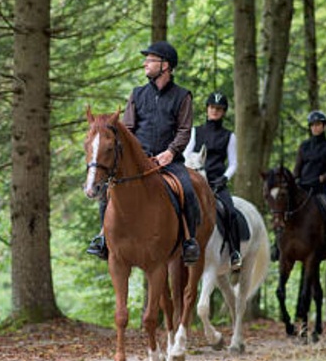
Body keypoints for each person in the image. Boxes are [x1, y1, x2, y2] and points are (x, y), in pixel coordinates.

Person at [87, 40, 201, 265]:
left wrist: (171, 151)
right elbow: (128, 129)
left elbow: (184, 130)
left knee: (187, 190)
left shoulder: (182, 96)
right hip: (139, 160)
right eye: (146, 60)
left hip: (169, 160)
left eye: (150, 60)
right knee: (108, 191)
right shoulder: (137, 94)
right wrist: (135, 155)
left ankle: (189, 241)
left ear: (165, 65)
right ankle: (102, 238)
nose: (145, 64)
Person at [185, 91, 241, 270]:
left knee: (231, 212)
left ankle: (234, 253)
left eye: (219, 109)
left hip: (217, 182)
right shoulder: (196, 131)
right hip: (195, 180)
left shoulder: (229, 136)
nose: (215, 111)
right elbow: (186, 154)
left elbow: (233, 163)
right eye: (212, 108)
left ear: (223, 112)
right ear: (207, 109)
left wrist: (224, 178)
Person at [288, 110, 326, 262]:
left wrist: (322, 178)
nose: (315, 128)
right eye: (313, 125)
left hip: (321, 188)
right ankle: (279, 244)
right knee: (285, 208)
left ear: (324, 126)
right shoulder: (304, 146)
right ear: (310, 127)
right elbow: (297, 168)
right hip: (303, 187)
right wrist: (292, 180)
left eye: (318, 125)